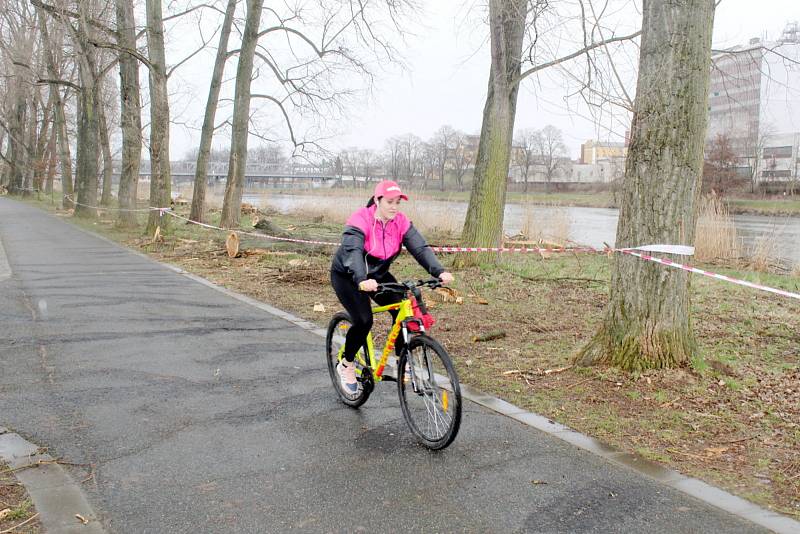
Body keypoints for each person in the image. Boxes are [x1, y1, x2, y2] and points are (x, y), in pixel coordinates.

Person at [330, 180, 454, 394]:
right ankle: (347, 364)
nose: (394, 207)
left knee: (402, 309)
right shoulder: (361, 219)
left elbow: (420, 248)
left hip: (377, 275)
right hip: (349, 275)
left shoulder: (401, 222)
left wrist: (439, 271)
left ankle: (401, 361)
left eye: (397, 202)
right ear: (377, 200)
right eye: (389, 201)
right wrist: (361, 278)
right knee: (363, 320)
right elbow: (353, 253)